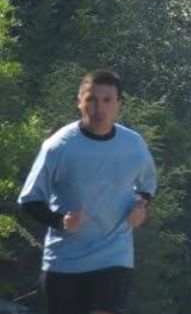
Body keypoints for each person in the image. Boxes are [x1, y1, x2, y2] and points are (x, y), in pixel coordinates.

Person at [17, 69, 157, 314]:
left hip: (114, 256)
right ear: (79, 102)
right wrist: (60, 221)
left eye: (107, 100)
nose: (98, 108)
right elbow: (29, 200)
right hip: (65, 261)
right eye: (91, 99)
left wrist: (140, 206)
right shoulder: (59, 147)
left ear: (119, 105)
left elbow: (145, 186)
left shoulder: (133, 145)